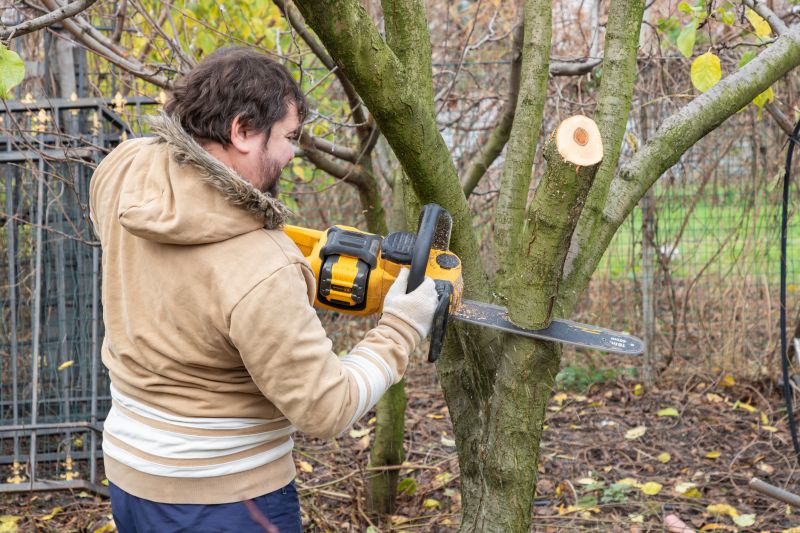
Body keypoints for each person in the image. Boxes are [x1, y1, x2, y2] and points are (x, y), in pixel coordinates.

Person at [89, 46, 439, 532]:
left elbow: (188, 271)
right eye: (289, 137)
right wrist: (403, 325)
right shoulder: (261, 268)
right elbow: (326, 408)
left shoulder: (124, 171)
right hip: (227, 500)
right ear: (243, 130)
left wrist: (298, 272)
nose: (294, 153)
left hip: (131, 475)